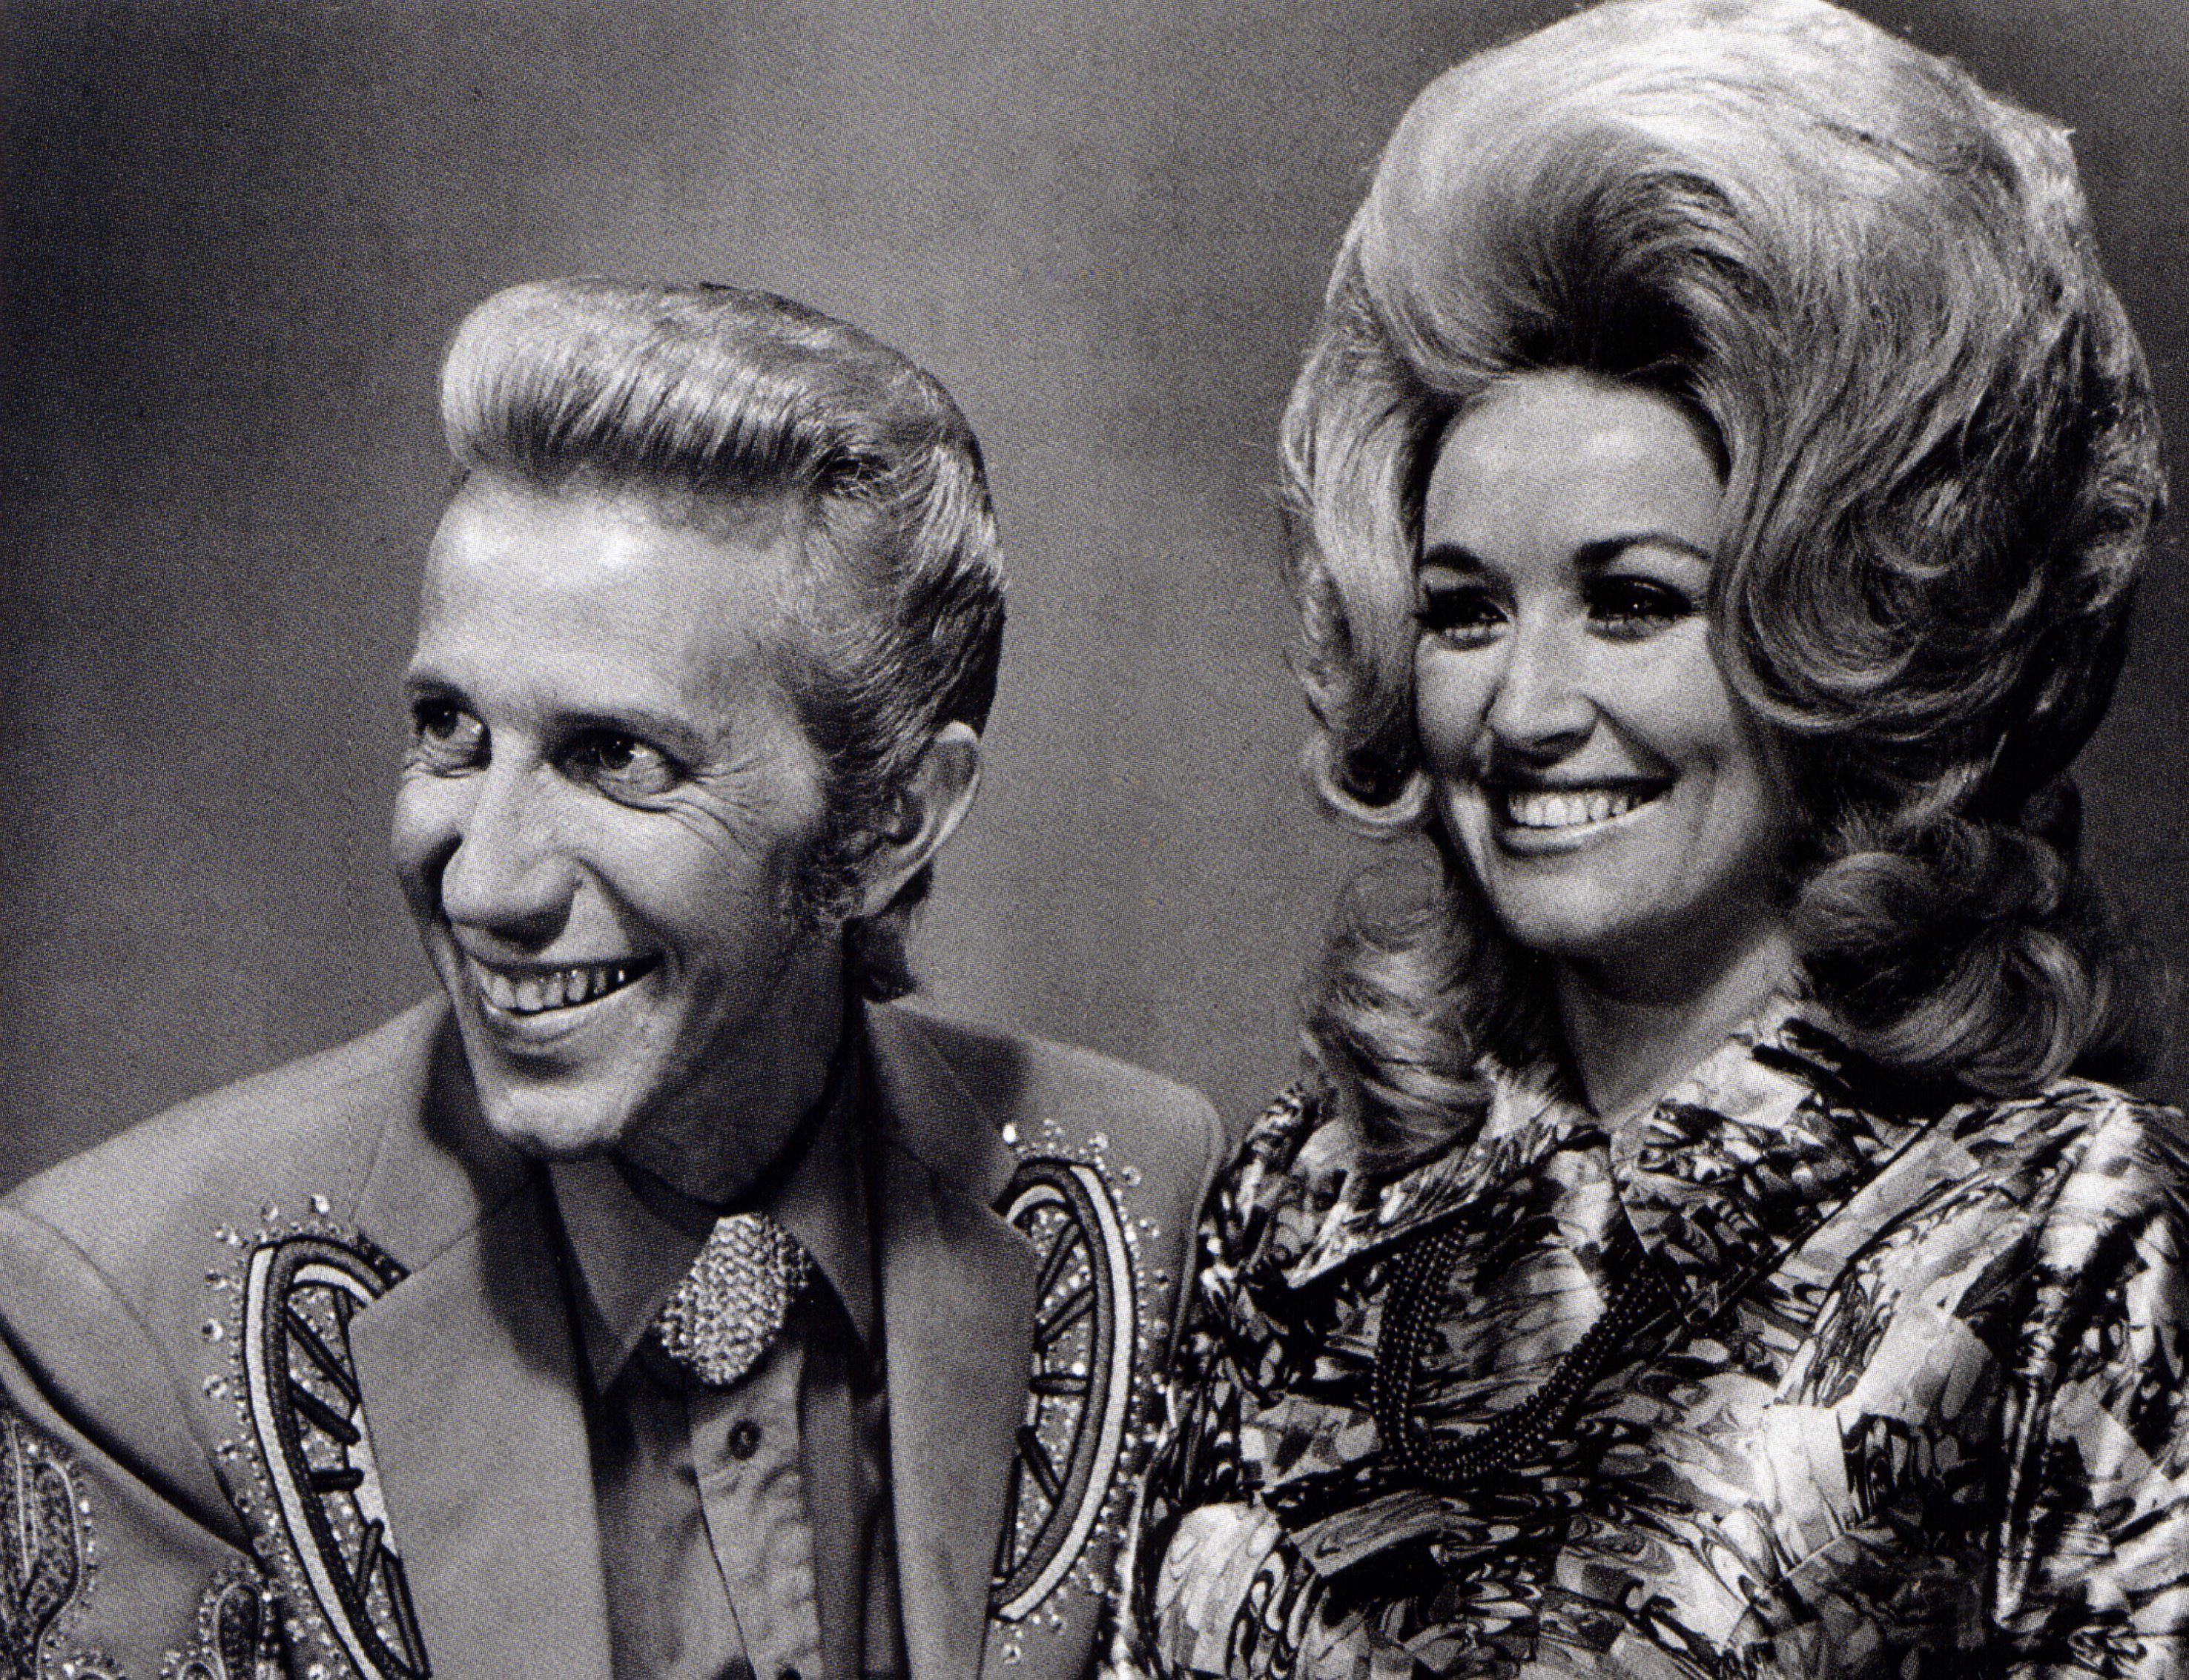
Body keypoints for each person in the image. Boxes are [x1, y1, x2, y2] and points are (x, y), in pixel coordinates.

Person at [1115, 2, 2189, 1676]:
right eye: (1465, 610)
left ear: (1840, 627)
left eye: (1631, 603)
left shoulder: (2062, 1234)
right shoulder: (1300, 1200)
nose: (1523, 706)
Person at [0, 280, 1221, 1680]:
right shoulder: (126, 1322)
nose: (483, 882)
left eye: (615, 757)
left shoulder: (1147, 1200)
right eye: (450, 731)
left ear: (893, 819)